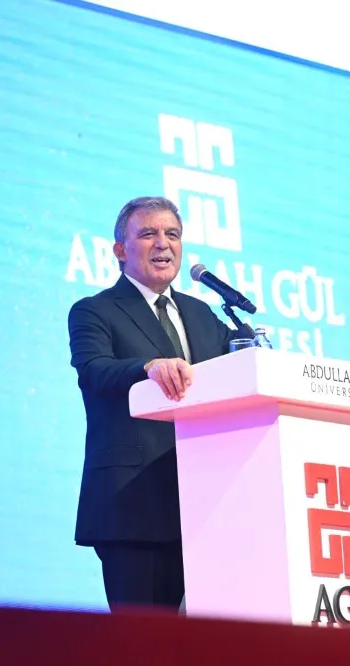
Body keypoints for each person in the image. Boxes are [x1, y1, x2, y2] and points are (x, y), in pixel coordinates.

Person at [68, 196, 243, 611]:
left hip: (208, 503)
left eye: (172, 234)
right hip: (135, 504)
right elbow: (94, 370)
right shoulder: (95, 311)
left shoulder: (202, 314)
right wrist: (147, 367)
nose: (163, 243)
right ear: (120, 250)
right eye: (148, 234)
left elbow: (237, 373)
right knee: (144, 640)